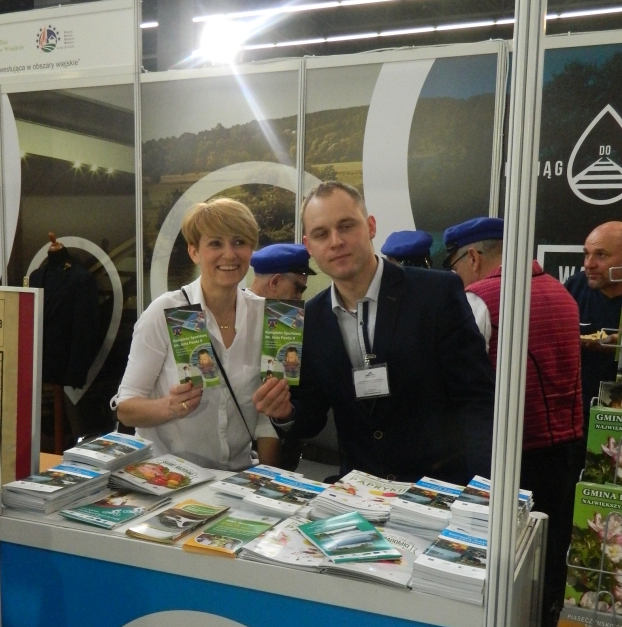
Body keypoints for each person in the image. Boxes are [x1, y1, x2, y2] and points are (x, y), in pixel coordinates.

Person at [254, 181, 495, 484]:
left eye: (346, 226)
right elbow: (312, 416)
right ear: (309, 246)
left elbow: (477, 400)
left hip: (436, 488)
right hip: (358, 491)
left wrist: (482, 491)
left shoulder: (435, 294)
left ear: (370, 226)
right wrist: (285, 413)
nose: (336, 241)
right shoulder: (312, 318)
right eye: (321, 234)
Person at [443, 216, 584, 627]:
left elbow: (464, 385)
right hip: (564, 448)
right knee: (548, 566)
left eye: (455, 265)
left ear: (473, 257)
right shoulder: (562, 294)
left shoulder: (480, 298)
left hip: (510, 454)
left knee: (505, 568)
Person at [116, 197, 280, 470]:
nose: (229, 254)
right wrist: (168, 406)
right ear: (194, 252)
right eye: (215, 243)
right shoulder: (165, 312)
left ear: (251, 250)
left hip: (236, 476)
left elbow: (266, 417)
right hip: (169, 476)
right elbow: (126, 408)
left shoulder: (267, 318)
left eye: (239, 242)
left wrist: (268, 478)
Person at [565, 221, 622, 429]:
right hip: (581, 407)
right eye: (586, 254)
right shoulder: (575, 286)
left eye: (601, 255)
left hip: (616, 400)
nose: (589, 264)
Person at [249, 243, 314, 300]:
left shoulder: (245, 306)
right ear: (275, 282)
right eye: (297, 288)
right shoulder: (243, 308)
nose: (299, 296)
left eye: (302, 290)